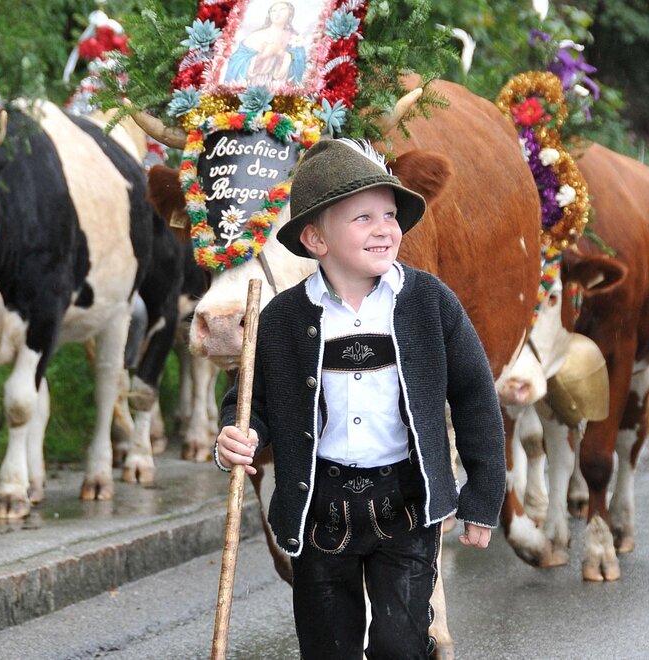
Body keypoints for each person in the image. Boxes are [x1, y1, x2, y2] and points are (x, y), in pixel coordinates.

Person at [215, 138, 506, 659]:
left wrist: (483, 495)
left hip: (406, 506)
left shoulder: (430, 303)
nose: (384, 229)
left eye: (390, 215)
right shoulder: (282, 319)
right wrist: (238, 436)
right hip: (319, 509)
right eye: (363, 218)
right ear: (315, 238)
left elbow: (475, 397)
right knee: (328, 648)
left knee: (400, 645)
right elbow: (249, 400)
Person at [224, 1, 306, 87]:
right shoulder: (256, 35)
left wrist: (282, 53)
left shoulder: (294, 38)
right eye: (274, 11)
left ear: (290, 13)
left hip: (278, 86)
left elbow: (298, 59)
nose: (277, 13)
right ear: (269, 14)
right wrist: (262, 55)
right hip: (253, 84)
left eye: (282, 10)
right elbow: (237, 59)